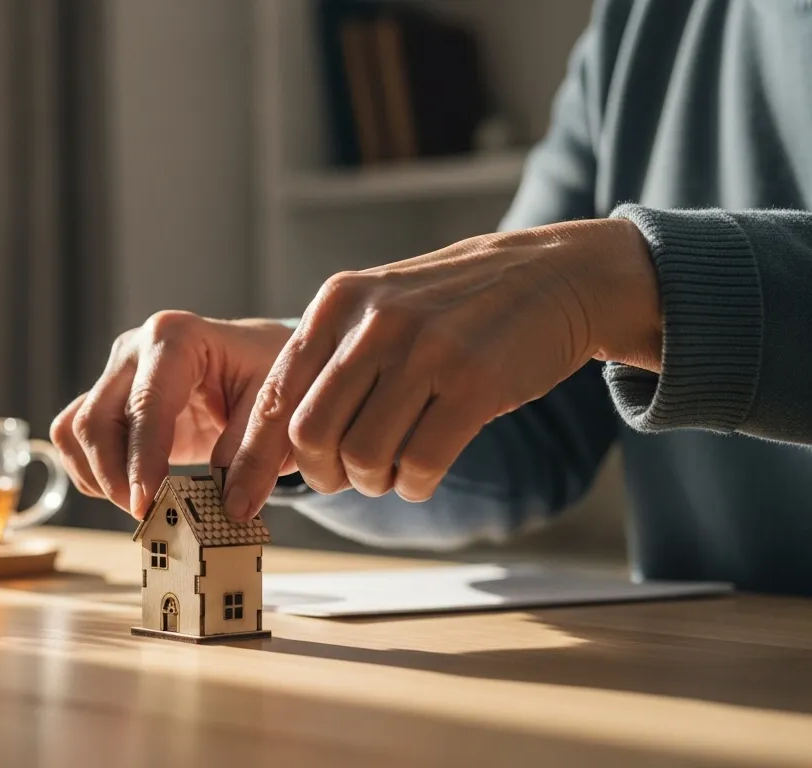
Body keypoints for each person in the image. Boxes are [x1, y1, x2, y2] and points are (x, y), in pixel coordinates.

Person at [50, 0, 812, 597]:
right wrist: (310, 383)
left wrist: (626, 282)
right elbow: (531, 424)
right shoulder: (644, 20)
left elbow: (579, 293)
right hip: (708, 680)